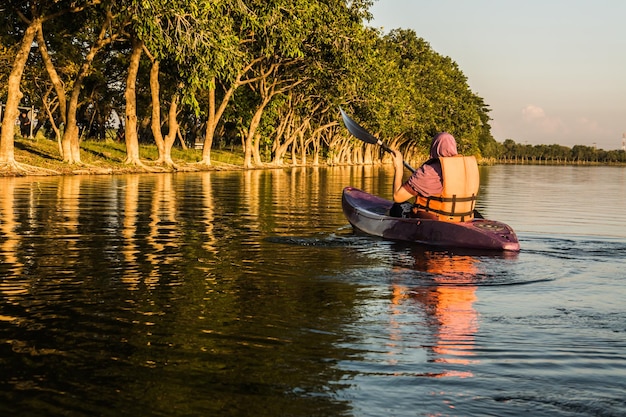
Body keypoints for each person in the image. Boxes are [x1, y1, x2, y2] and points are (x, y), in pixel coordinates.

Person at [390, 132, 479, 222]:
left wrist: (399, 168)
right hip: (463, 218)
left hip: (436, 221)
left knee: (396, 207)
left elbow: (398, 197)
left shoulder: (428, 171)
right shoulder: (464, 169)